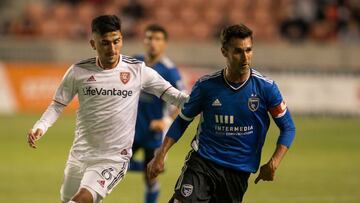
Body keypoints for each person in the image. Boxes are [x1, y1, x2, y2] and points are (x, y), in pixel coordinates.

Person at [26, 15, 188, 203]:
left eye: (116, 41)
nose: (112, 49)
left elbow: (176, 97)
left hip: (113, 158)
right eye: (105, 43)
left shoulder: (137, 70)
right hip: (80, 154)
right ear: (93, 44)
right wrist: (41, 126)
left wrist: (205, 101)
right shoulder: (78, 71)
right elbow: (58, 104)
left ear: (121, 40)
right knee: (66, 199)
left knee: (81, 200)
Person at [147, 24, 296, 203]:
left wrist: (274, 163)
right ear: (224, 51)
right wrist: (160, 154)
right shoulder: (206, 86)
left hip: (238, 171)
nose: (245, 57)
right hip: (203, 162)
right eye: (238, 51)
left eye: (248, 50)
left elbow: (288, 127)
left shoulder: (266, 89)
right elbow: (182, 121)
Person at [129, 24, 185, 203]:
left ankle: (151, 171)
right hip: (131, 129)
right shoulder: (135, 62)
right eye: (149, 38)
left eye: (157, 39)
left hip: (153, 133)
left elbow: (183, 101)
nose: (153, 42)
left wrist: (166, 119)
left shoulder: (169, 70)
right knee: (115, 164)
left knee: (150, 178)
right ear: (144, 40)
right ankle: (150, 167)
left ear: (164, 43)